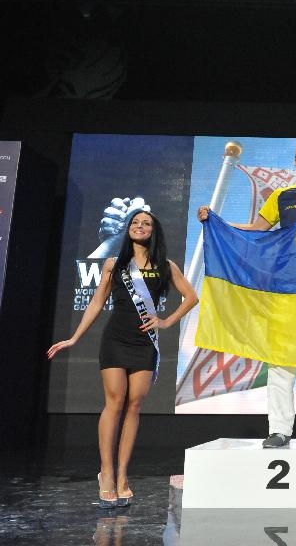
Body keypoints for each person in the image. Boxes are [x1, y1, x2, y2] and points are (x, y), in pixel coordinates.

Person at [198, 138, 296, 450]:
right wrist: (217, 223)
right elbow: (258, 230)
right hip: (283, 288)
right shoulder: (281, 197)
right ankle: (279, 430)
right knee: (280, 363)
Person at [47, 211, 198, 508]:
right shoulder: (113, 264)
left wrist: (166, 322)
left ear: (154, 231)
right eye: (135, 223)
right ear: (128, 229)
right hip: (115, 339)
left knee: (134, 405)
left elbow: (191, 297)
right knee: (114, 402)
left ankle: (123, 475)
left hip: (144, 344)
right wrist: (74, 337)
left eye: (146, 224)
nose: (140, 227)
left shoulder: (166, 266)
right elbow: (97, 302)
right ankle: (106, 473)